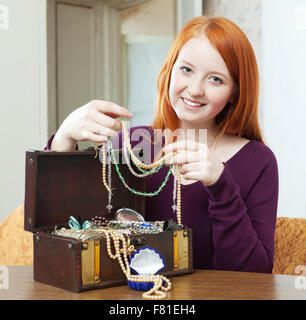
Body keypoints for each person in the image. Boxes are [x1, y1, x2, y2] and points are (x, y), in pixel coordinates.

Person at [46, 16, 279, 273]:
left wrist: (221, 184)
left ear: (235, 91)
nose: (195, 89)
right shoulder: (134, 145)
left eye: (215, 79)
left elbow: (254, 275)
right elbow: (62, 228)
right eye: (187, 70)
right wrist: (64, 138)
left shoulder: (258, 161)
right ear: (169, 70)